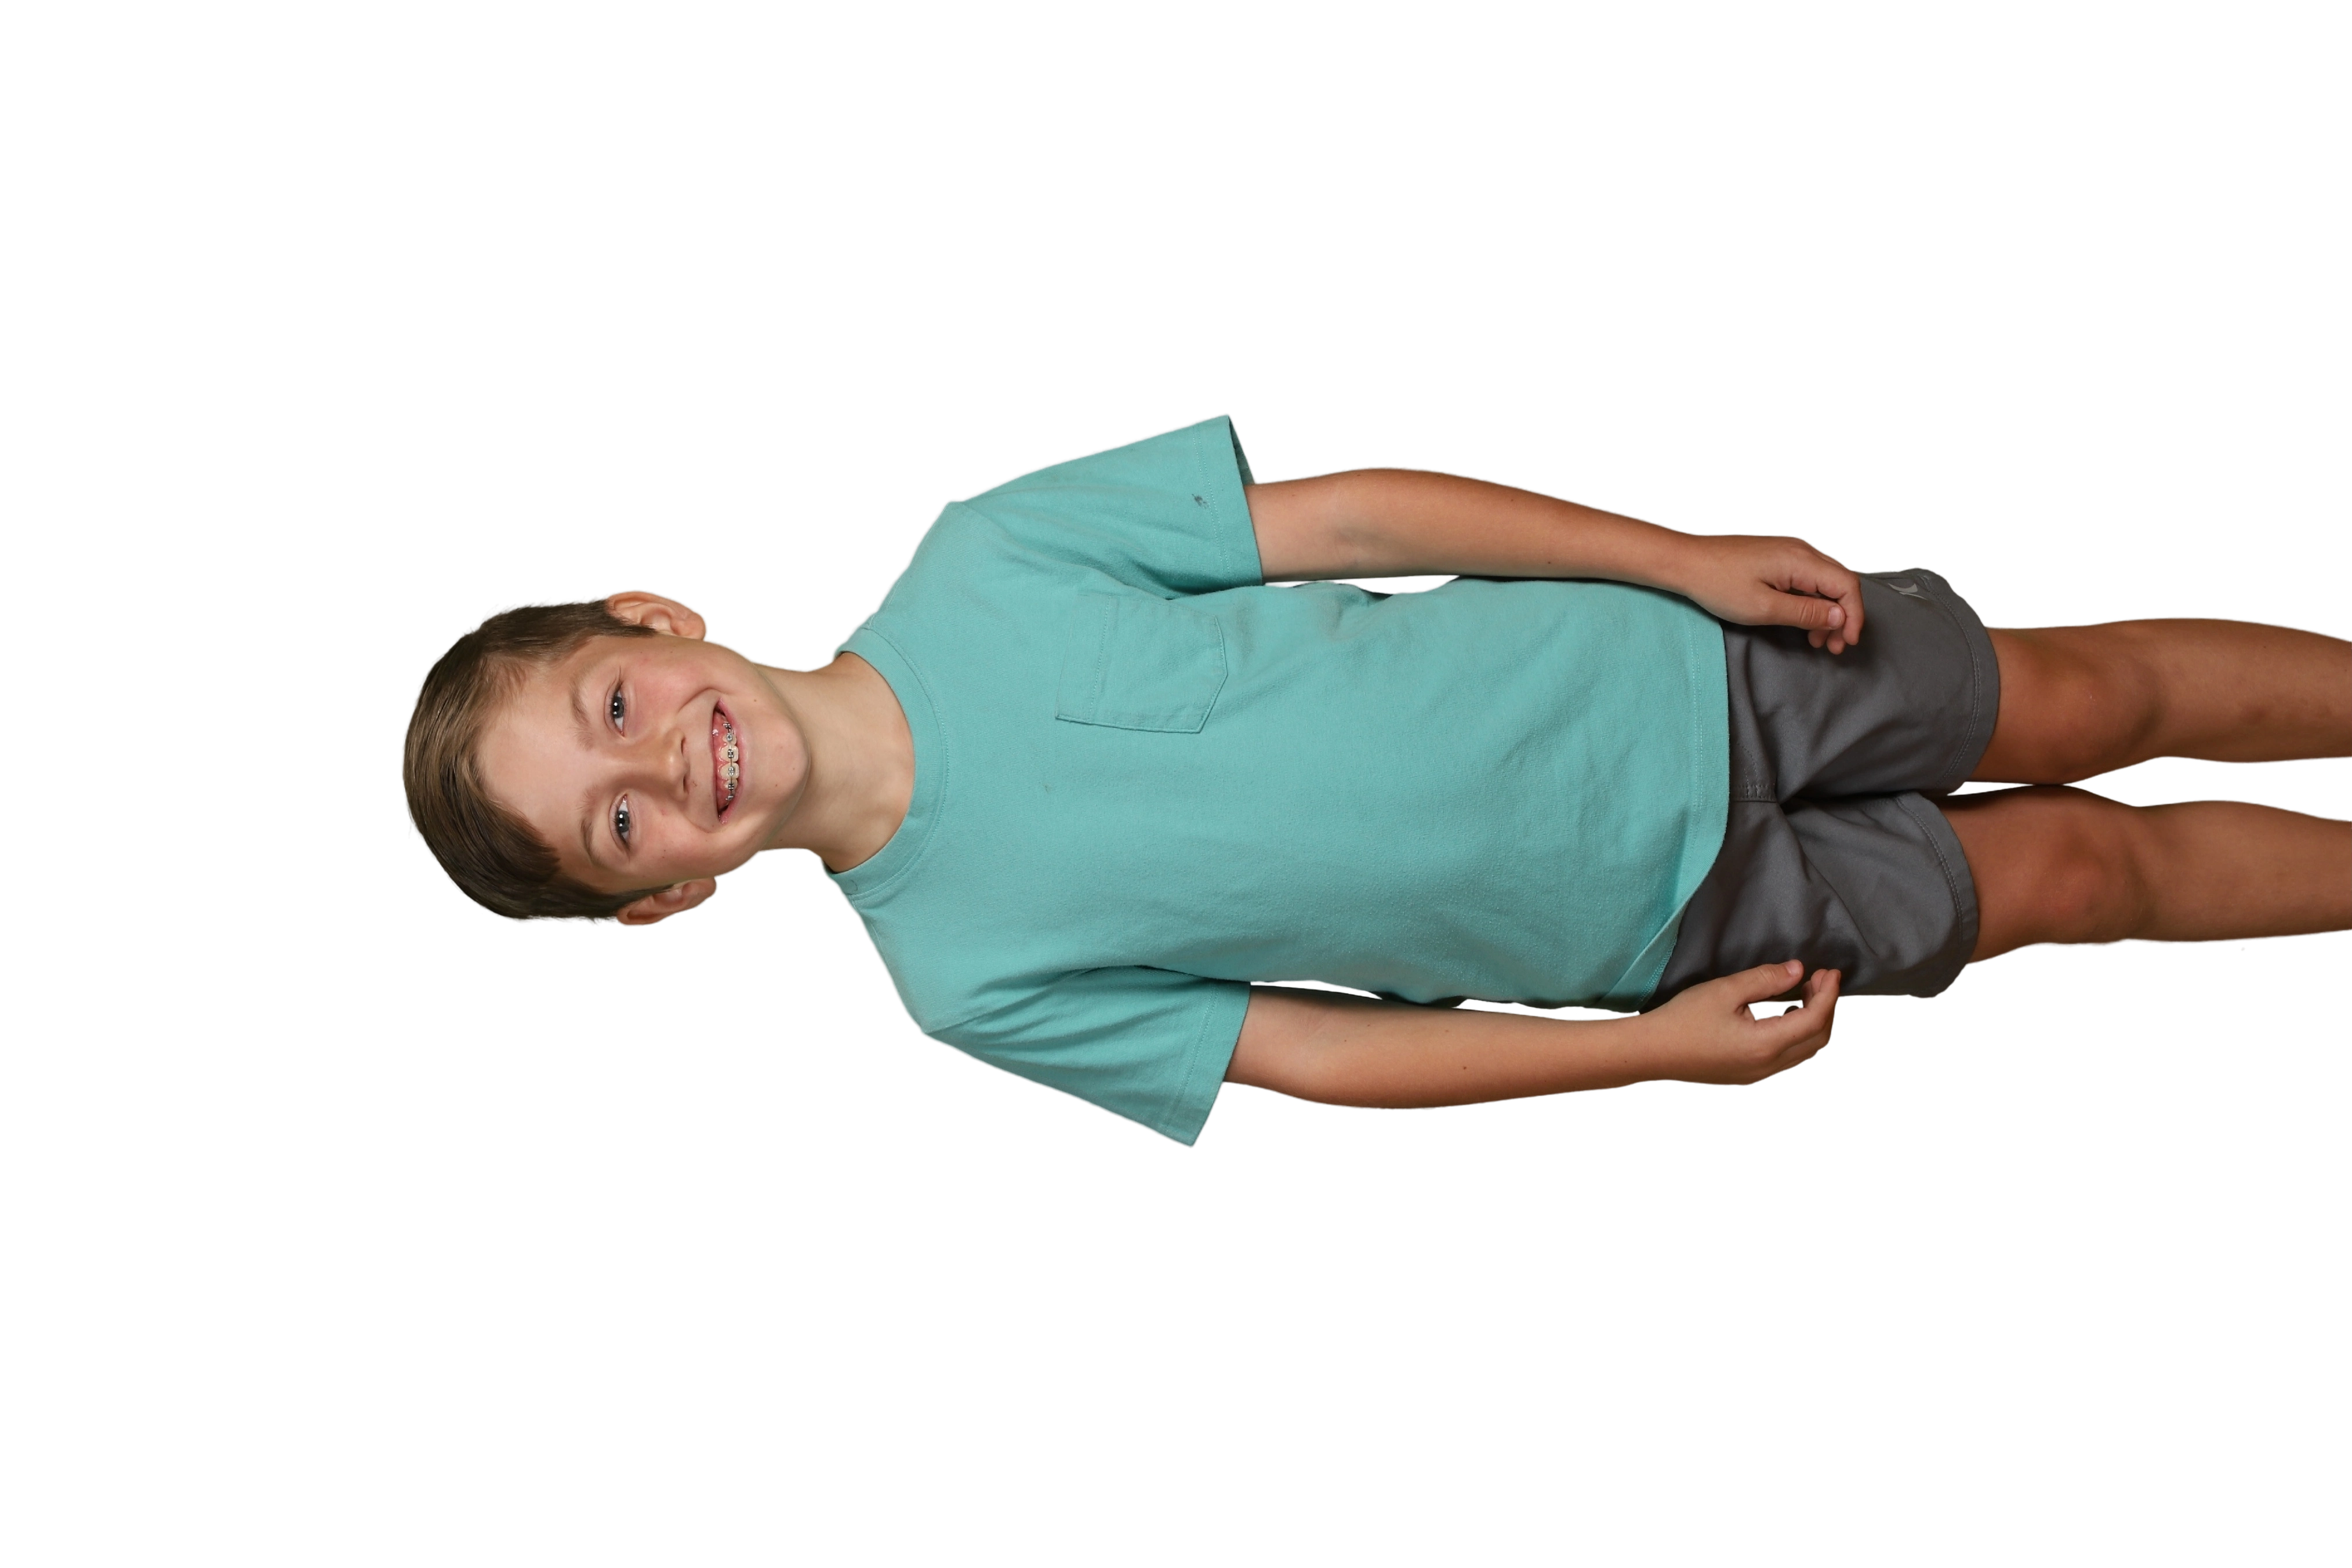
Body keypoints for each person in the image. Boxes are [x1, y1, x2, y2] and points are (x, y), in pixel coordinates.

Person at [399, 412, 2352, 1147]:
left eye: (611, 703)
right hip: (1661, 927)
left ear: (652, 616)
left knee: (2078, 701)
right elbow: (1317, 1052)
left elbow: (1344, 524)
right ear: (669, 896)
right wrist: (1642, 1054)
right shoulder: (966, 986)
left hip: (1679, 667)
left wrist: (1677, 560)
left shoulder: (989, 551)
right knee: (2084, 887)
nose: (660, 762)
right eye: (618, 820)